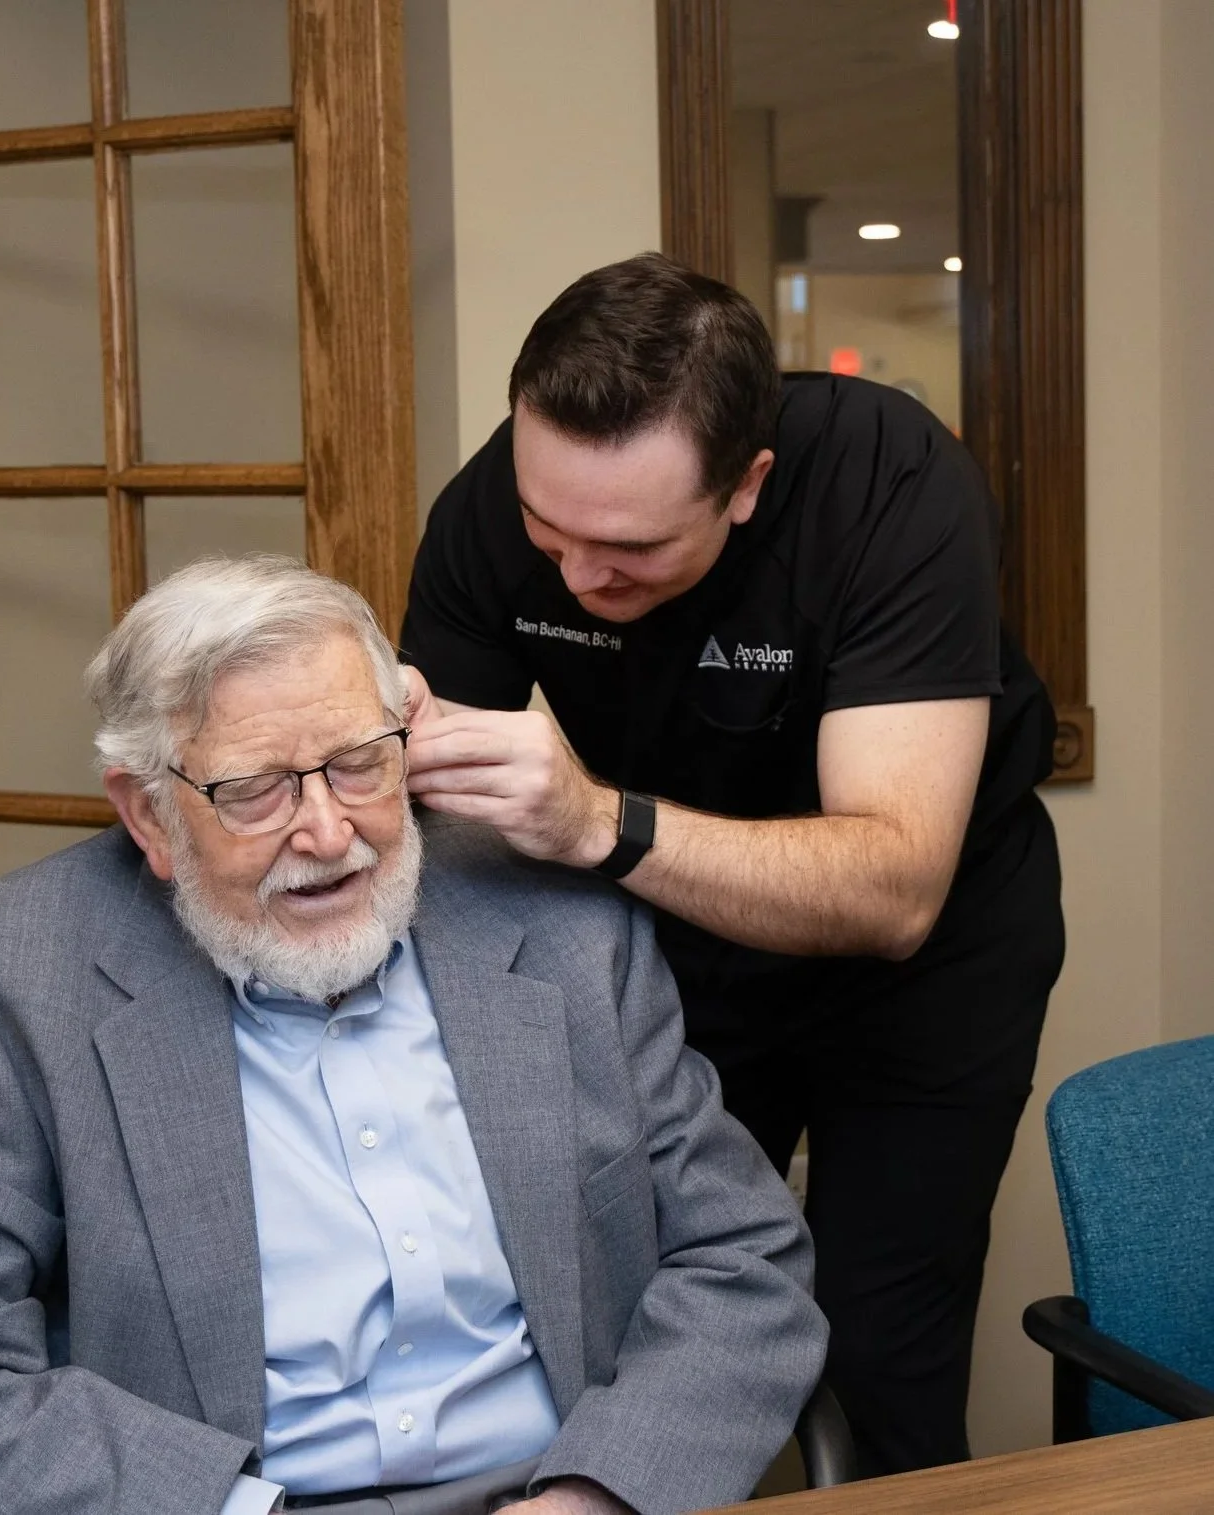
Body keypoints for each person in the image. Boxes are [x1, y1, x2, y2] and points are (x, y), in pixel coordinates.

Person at [0, 555, 826, 1515]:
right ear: (147, 815)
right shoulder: (11, 977)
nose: (328, 834)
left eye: (357, 765)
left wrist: (601, 1492)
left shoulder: (565, 927)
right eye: (255, 790)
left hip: (553, 1485)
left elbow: (744, 1258)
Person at [399, 253, 1066, 1477]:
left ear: (747, 485)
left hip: (924, 963)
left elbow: (895, 888)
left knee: (877, 1355)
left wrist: (598, 824)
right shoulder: (494, 509)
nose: (579, 577)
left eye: (631, 549)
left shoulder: (890, 480)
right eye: (551, 533)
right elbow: (441, 828)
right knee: (641, 1321)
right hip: (667, 937)